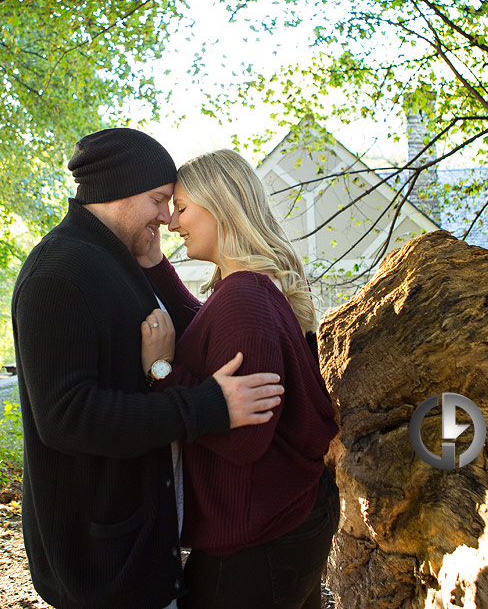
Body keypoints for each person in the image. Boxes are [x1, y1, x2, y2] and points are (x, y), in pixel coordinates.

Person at [11, 128, 286, 609]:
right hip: (100, 561)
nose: (168, 215)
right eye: (159, 199)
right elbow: (66, 417)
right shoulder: (57, 274)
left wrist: (157, 266)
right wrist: (204, 408)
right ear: (118, 190)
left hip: (141, 540)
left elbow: (194, 335)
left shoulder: (119, 258)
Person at [141, 149, 340, 609]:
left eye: (183, 208)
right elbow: (206, 327)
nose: (172, 223)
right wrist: (155, 265)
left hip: (262, 537)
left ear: (221, 205)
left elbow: (245, 440)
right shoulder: (251, 284)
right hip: (290, 516)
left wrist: (162, 372)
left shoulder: (244, 298)